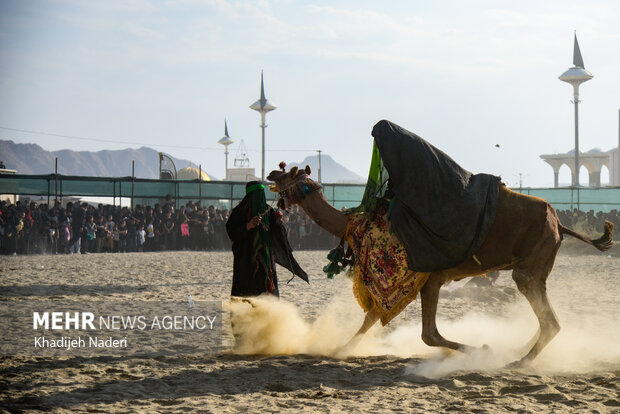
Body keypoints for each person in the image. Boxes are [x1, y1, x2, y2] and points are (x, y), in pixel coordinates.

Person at [226, 181, 308, 297]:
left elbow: (276, 234)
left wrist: (278, 223)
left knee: (267, 289)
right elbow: (231, 233)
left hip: (266, 258)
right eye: (257, 194)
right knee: (245, 292)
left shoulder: (268, 210)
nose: (260, 197)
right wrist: (248, 226)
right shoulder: (239, 211)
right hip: (246, 258)